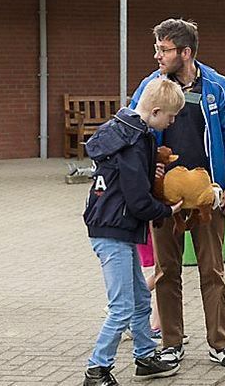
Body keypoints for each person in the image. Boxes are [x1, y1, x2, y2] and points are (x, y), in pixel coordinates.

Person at [129, 19, 225, 369]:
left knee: (213, 270)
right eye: (158, 48)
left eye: (163, 49)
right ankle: (171, 344)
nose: (157, 55)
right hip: (165, 199)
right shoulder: (151, 86)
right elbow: (136, 130)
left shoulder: (217, 85)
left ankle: (220, 343)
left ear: (186, 52)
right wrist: (151, 170)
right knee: (167, 272)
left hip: (209, 195)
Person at [82, 78, 186, 386]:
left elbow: (131, 180)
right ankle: (96, 369)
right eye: (170, 117)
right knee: (122, 307)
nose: (172, 121)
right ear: (155, 111)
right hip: (112, 230)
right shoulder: (134, 140)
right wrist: (167, 210)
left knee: (141, 298)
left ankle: (145, 356)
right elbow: (137, 199)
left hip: (118, 228)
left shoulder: (127, 132)